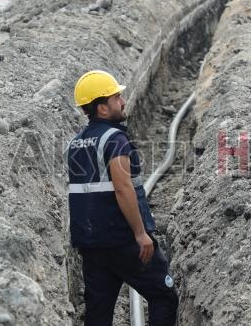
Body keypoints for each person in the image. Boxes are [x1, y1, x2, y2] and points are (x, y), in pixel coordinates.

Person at [67, 70, 178, 325]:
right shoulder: (115, 139)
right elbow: (122, 187)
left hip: (91, 244)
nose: (123, 101)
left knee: (98, 313)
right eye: (117, 97)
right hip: (123, 241)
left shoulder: (76, 143)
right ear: (103, 108)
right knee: (164, 296)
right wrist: (140, 233)